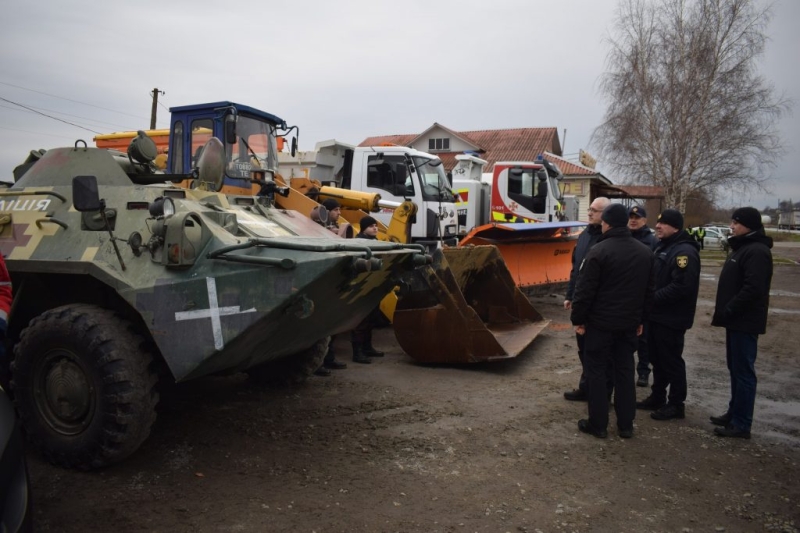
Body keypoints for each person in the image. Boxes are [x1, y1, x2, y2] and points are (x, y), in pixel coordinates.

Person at [570, 203, 654, 438]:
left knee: (596, 372)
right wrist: (641, 320)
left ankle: (598, 424)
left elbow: (585, 292)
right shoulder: (644, 252)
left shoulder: (599, 251)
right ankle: (626, 425)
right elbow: (649, 292)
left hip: (600, 325)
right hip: (628, 325)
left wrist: (578, 319)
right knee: (626, 372)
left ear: (606, 223)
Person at [710, 207, 773, 439]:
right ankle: (734, 413)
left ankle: (741, 423)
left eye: (736, 223)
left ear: (749, 225)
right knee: (735, 369)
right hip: (735, 320)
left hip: (745, 321)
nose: (732, 226)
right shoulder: (743, 247)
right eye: (732, 222)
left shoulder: (756, 251)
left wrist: (731, 308)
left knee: (744, 372)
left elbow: (753, 288)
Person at [636, 209, 700, 421]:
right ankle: (657, 396)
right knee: (657, 358)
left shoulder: (684, 253)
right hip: (657, 316)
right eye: (658, 223)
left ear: (676, 227)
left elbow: (681, 287)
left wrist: (651, 298)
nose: (658, 226)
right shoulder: (665, 247)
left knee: (671, 361)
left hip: (671, 318)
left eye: (663, 224)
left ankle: (676, 404)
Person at [563, 196, 611, 401]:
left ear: (606, 215)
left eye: (595, 210)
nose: (590, 213)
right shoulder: (583, 237)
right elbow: (577, 269)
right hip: (582, 301)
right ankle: (586, 386)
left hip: (599, 307)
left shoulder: (608, 240)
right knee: (583, 349)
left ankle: (602, 394)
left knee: (600, 354)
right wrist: (570, 294)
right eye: (590, 209)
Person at [311, 198, 350, 376]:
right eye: (335, 210)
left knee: (332, 326)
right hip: (322, 283)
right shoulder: (315, 226)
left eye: (339, 210)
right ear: (326, 211)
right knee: (319, 328)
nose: (339, 213)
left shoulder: (334, 226)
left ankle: (329, 357)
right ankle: (318, 362)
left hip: (334, 281)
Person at [628, 205, 656, 388]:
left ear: (644, 221)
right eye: (630, 217)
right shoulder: (624, 238)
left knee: (644, 339)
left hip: (642, 294)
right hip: (626, 295)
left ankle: (644, 372)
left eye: (637, 217)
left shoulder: (652, 241)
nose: (633, 220)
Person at [349, 215, 384, 364]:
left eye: (375, 225)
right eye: (371, 226)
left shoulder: (375, 242)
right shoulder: (359, 244)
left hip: (372, 285)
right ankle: (357, 352)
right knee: (360, 321)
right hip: (361, 286)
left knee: (371, 319)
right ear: (363, 229)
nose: (375, 228)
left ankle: (367, 347)